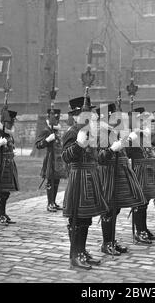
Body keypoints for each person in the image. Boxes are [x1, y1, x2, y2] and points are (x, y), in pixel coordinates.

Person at [61, 96, 109, 270]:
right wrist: (78, 145)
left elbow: (97, 158)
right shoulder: (72, 133)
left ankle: (82, 251)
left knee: (86, 218)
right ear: (75, 116)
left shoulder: (91, 132)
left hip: (91, 176)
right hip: (78, 176)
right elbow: (65, 157)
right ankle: (75, 254)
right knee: (77, 218)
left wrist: (111, 150)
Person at [96, 103, 146, 255]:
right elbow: (100, 158)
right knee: (109, 209)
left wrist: (126, 141)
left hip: (117, 172)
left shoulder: (113, 131)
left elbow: (124, 151)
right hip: (107, 173)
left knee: (115, 209)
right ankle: (106, 243)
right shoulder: (100, 132)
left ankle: (111, 239)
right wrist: (112, 149)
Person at [127, 107, 155, 244]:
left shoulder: (143, 135)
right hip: (139, 171)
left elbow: (149, 150)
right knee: (140, 202)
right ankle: (139, 231)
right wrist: (129, 140)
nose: (146, 124)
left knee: (146, 202)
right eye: (143, 121)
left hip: (148, 170)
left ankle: (144, 229)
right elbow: (125, 153)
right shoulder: (132, 136)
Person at [35, 107, 66, 212]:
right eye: (54, 118)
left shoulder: (56, 130)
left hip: (58, 159)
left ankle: (54, 201)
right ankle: (50, 203)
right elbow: (38, 145)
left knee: (56, 180)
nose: (56, 120)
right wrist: (47, 140)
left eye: (58, 119)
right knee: (50, 180)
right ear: (50, 117)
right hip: (50, 158)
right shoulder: (46, 130)